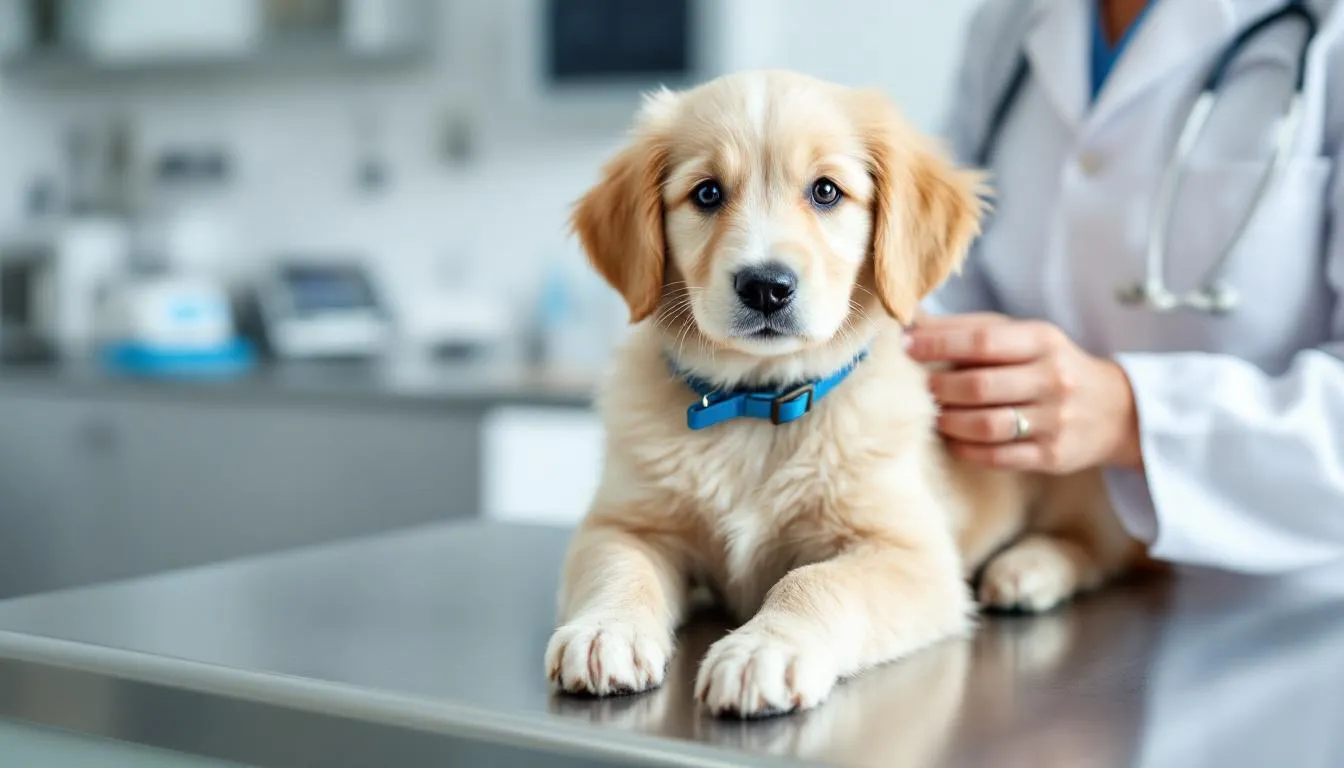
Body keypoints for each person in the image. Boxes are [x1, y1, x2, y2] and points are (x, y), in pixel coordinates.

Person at [907, 0, 1344, 574]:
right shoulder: (1015, 21)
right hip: (1041, 557)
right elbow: (942, 271)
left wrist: (1131, 417)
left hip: (1283, 596)